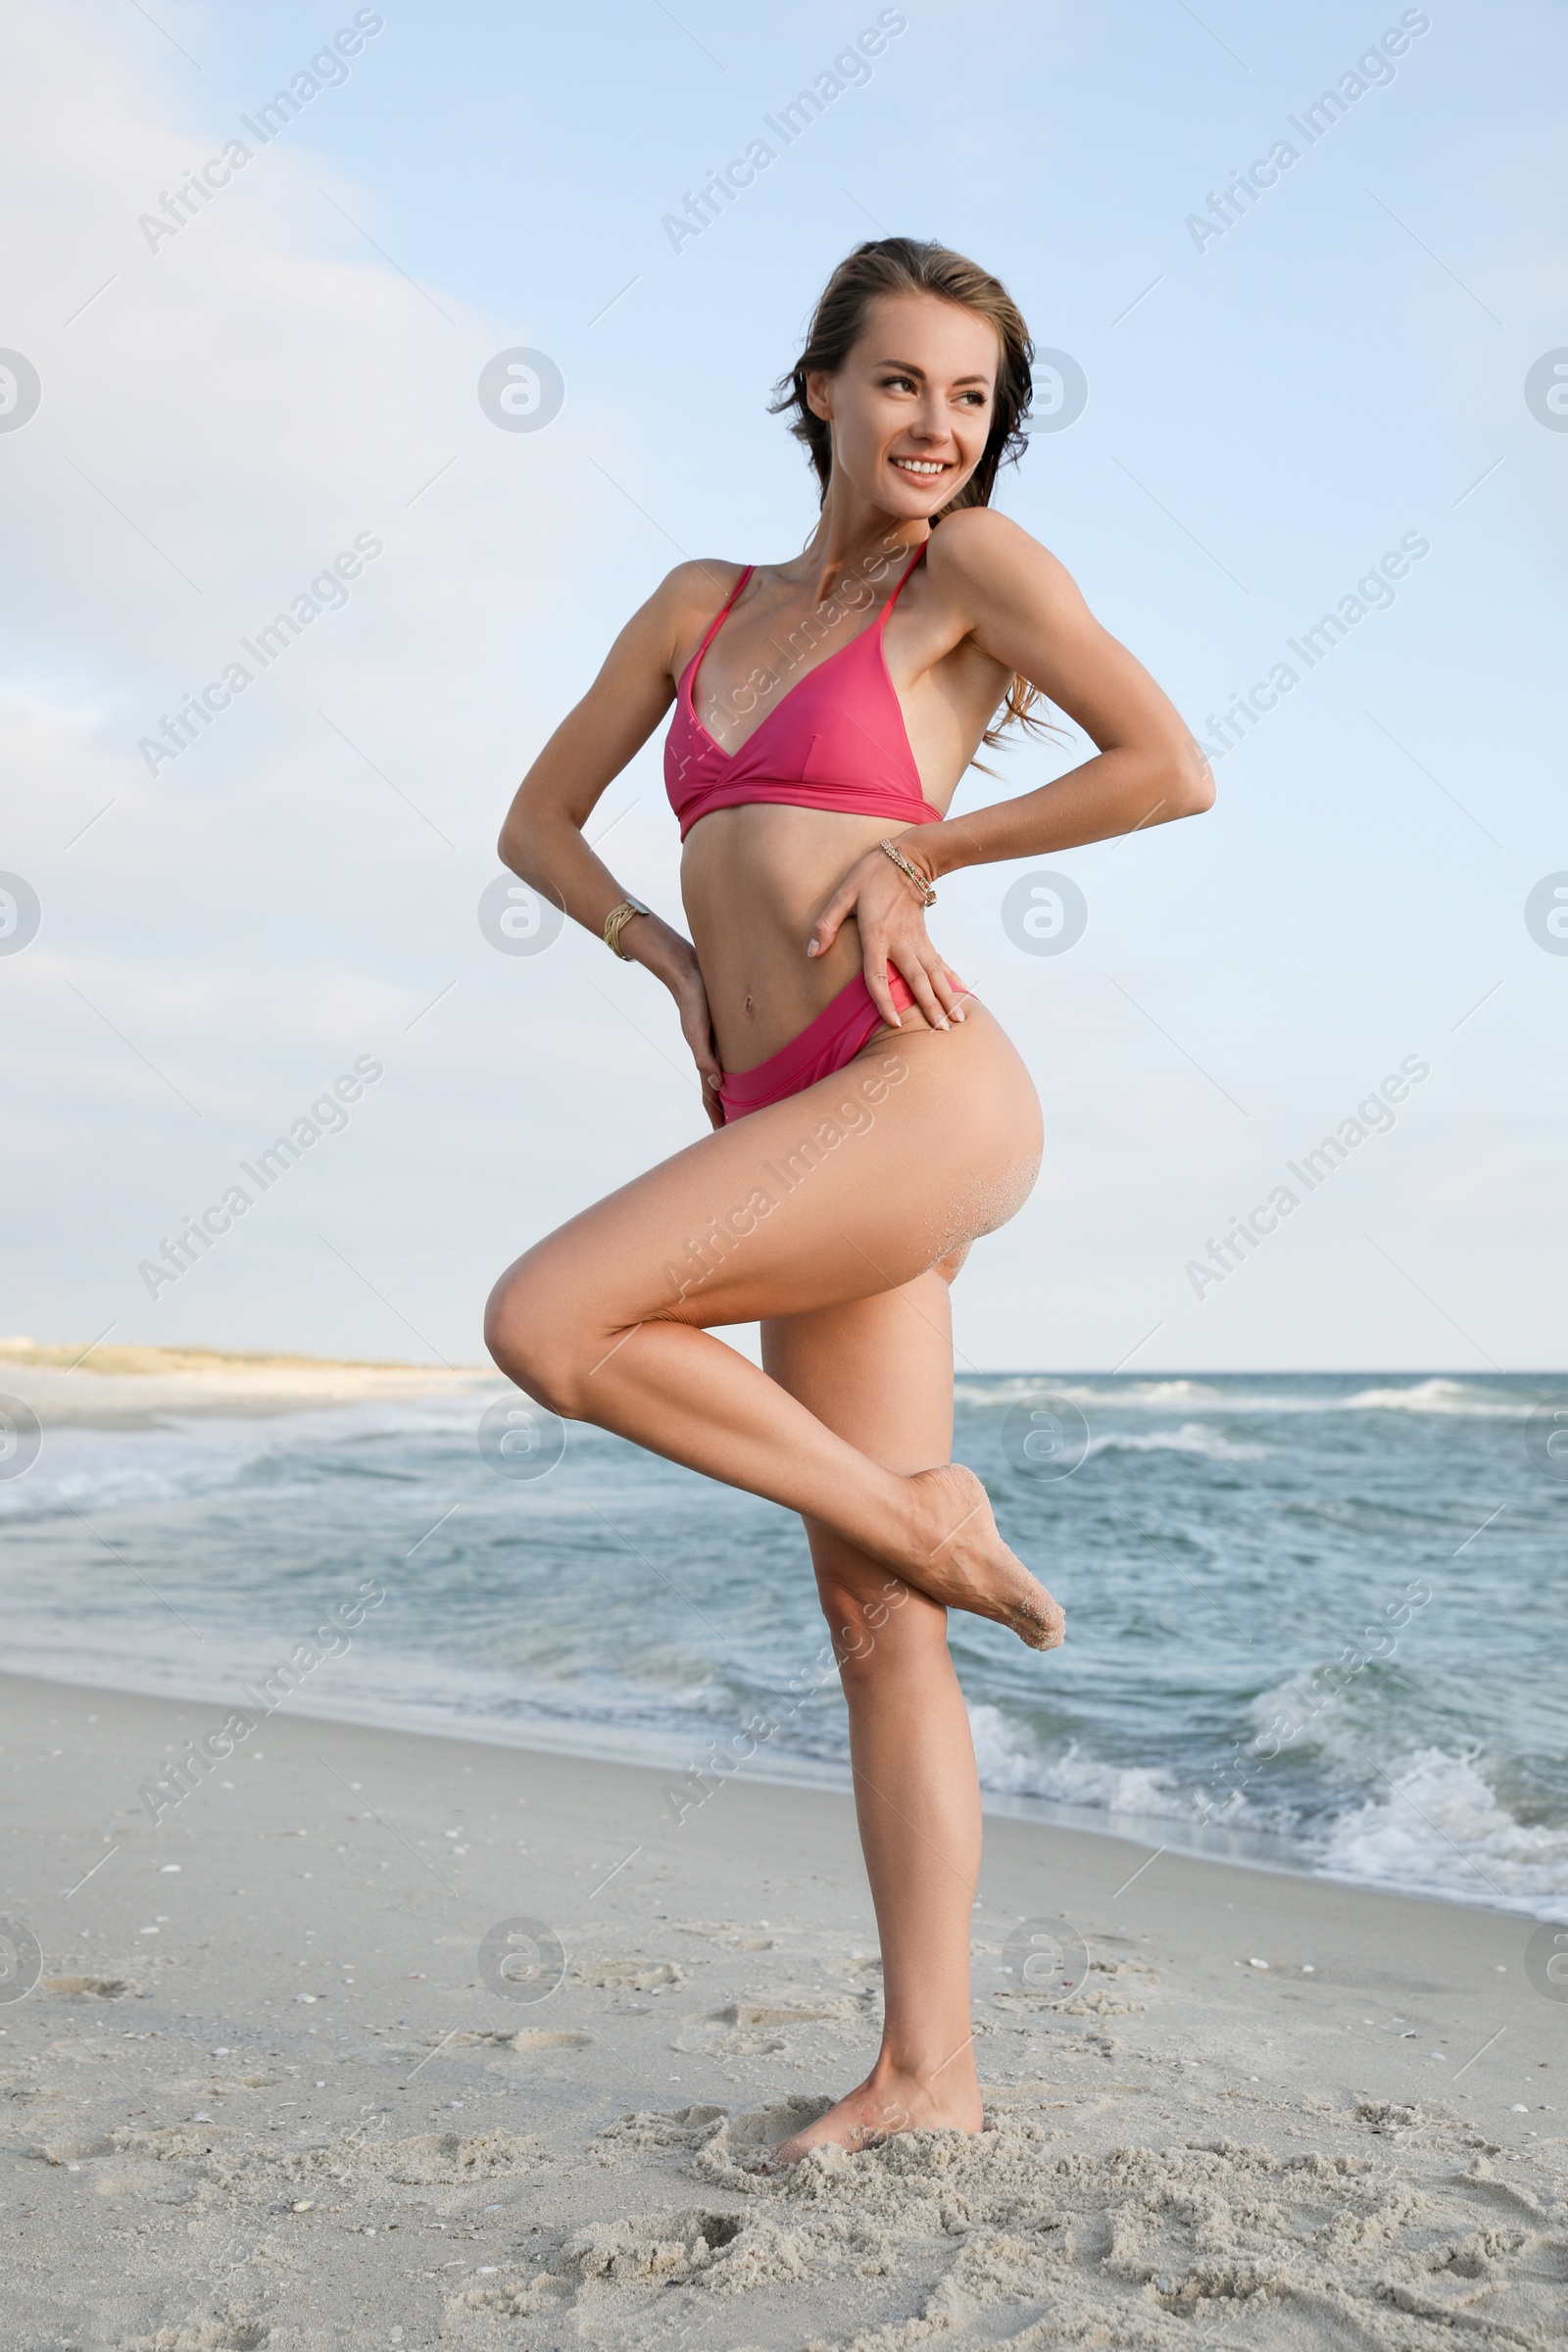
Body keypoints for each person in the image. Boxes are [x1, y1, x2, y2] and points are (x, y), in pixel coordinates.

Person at [485, 237, 1211, 2162]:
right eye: (900, 385)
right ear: (818, 388)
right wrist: (656, 954)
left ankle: (920, 1514)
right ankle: (929, 2075)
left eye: (970, 400)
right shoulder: (696, 605)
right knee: (879, 1623)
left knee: (550, 1322)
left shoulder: (960, 572)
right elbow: (531, 821)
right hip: (785, 1105)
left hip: (915, 1092)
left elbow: (1167, 767)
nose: (934, 426)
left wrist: (922, 857)